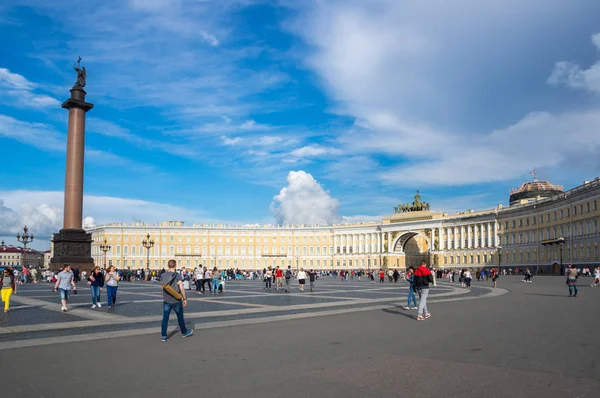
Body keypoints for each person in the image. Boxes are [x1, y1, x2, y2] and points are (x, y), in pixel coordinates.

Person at [161, 259, 193, 342]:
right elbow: (181, 287)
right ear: (175, 266)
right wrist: (184, 298)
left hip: (166, 300)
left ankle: (164, 336)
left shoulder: (163, 275)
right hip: (176, 299)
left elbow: (162, 287)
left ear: (168, 266)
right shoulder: (177, 275)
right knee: (180, 317)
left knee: (165, 318)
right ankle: (184, 332)